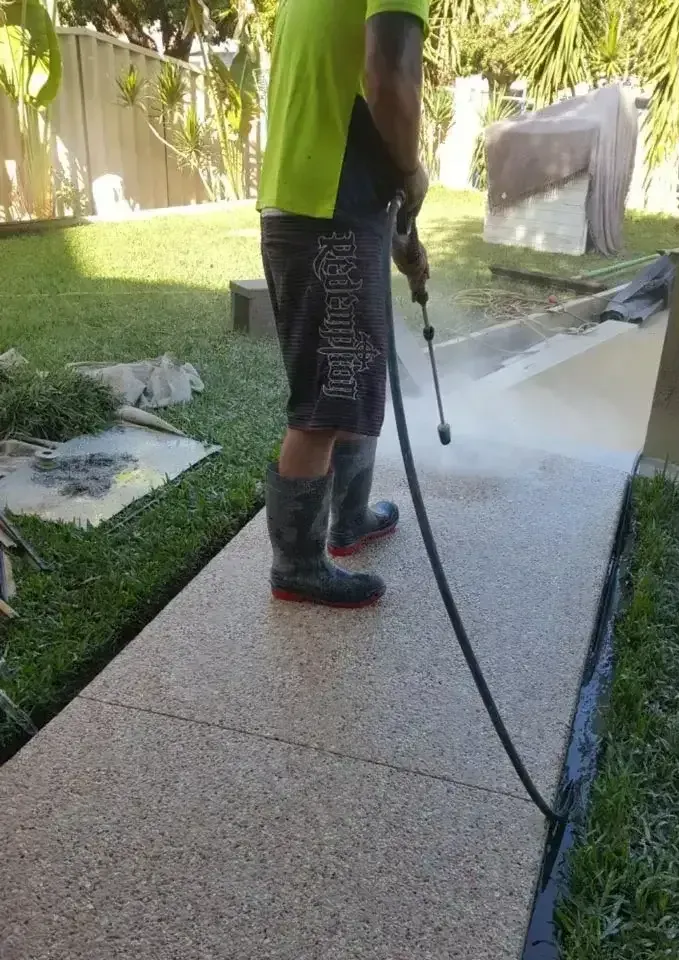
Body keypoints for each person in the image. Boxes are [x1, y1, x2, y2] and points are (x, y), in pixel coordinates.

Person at [258, 0, 430, 609]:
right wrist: (410, 171)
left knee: (353, 375)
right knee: (325, 404)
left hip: (315, 202)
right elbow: (388, 83)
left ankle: (348, 520)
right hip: (327, 211)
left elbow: (343, 100)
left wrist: (398, 231)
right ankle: (298, 567)